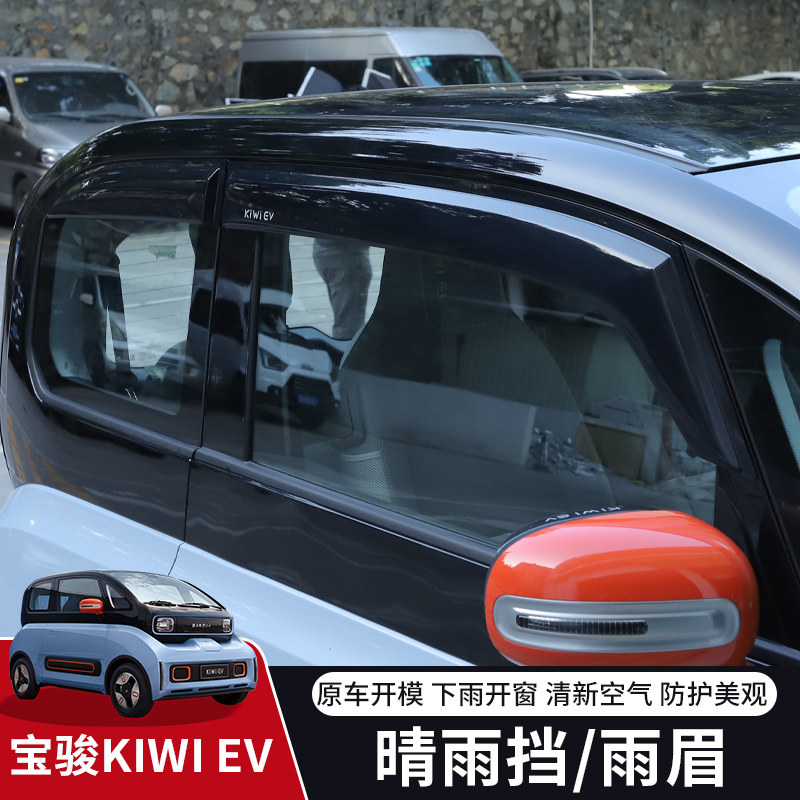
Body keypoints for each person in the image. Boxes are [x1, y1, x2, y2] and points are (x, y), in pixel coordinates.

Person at [312, 236, 372, 339]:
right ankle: (348, 347)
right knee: (349, 326)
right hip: (346, 254)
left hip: (329, 249)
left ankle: (345, 344)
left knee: (345, 317)